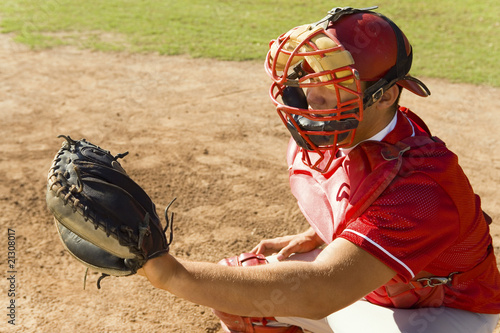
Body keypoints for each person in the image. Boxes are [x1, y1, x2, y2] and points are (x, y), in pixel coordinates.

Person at [138, 6, 500, 333]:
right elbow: (358, 184)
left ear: (385, 96)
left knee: (284, 292)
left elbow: (320, 290)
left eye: (334, 84)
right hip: (377, 287)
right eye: (309, 75)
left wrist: (170, 273)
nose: (311, 95)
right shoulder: (329, 134)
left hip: (446, 314)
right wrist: (325, 231)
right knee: (242, 296)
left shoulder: (421, 187)